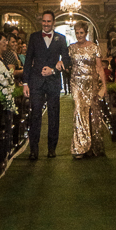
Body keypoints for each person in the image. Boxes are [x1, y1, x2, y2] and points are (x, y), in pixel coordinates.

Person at [22, 10, 70, 160]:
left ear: (53, 22)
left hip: (53, 82)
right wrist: (25, 83)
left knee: (53, 115)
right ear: (41, 22)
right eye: (44, 21)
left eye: (49, 21)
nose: (46, 24)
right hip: (36, 81)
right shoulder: (34, 37)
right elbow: (28, 60)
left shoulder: (61, 38)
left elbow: (67, 60)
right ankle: (33, 149)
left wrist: (54, 69)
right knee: (35, 114)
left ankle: (51, 148)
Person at [69, 21, 107, 159]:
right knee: (79, 111)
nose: (79, 35)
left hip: (91, 84)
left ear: (86, 33)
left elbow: (99, 67)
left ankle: (92, 146)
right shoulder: (71, 48)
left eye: (81, 33)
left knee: (92, 114)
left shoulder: (94, 47)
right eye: (77, 33)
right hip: (76, 83)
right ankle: (80, 147)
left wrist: (104, 85)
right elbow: (67, 64)